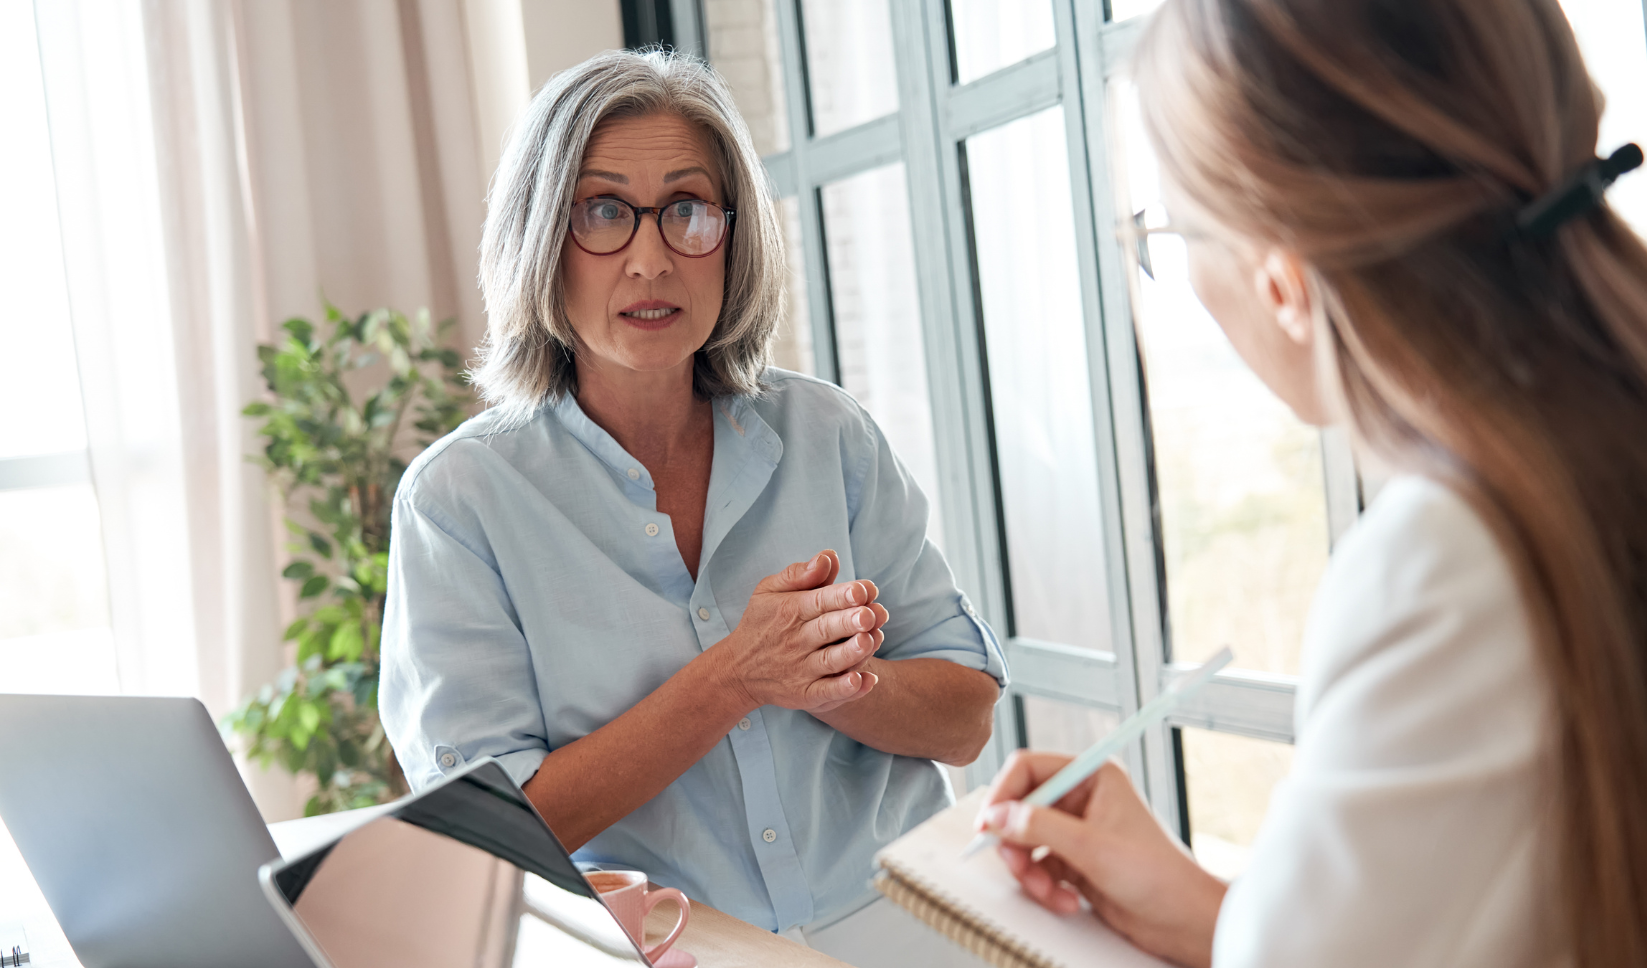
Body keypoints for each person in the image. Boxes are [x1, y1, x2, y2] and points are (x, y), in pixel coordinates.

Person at [975, 1, 1647, 966]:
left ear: (1281, 280)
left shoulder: (1444, 564)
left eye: (1164, 231)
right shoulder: (1583, 473)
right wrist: (1219, 913)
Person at [377, 48, 1007, 962]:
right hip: (664, 950)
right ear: (540, 242)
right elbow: (494, 832)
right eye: (602, 212)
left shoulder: (826, 433)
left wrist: (830, 677)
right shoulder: (458, 502)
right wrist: (738, 677)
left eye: (687, 211)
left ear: (732, 236)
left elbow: (964, 716)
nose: (651, 258)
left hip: (908, 928)